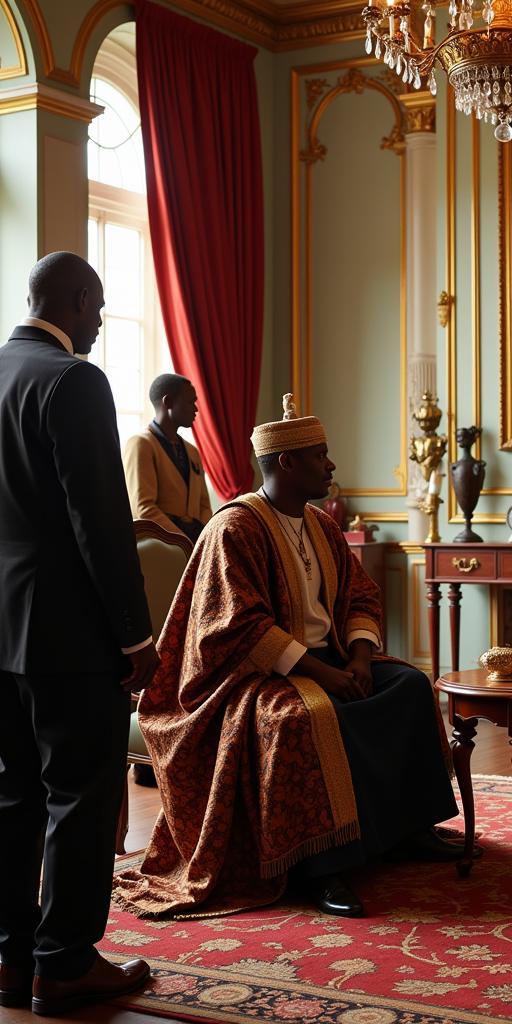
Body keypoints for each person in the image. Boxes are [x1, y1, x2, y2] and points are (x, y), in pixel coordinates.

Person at [113, 399, 463, 921]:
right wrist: (325, 674)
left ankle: (408, 831)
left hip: (334, 657)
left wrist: (362, 661)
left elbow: (360, 596)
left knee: (410, 685)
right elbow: (238, 629)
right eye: (321, 456)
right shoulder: (234, 528)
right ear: (286, 464)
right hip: (248, 676)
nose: (332, 465)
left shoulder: (321, 525)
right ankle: (322, 868)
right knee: (301, 719)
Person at [0, 252, 157, 1015]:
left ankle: (9, 958)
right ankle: (63, 963)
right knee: (79, 798)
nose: (99, 321)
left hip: (0, 632)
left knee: (13, 797)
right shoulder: (73, 381)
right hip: (67, 636)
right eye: (96, 307)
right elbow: (99, 522)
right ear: (75, 297)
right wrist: (136, 637)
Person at [124, 373, 213, 544]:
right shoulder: (141, 444)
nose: (196, 409)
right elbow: (144, 508)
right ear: (168, 402)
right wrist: (182, 541)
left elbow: (204, 505)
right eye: (190, 402)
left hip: (195, 544)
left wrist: (204, 539)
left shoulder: (192, 451)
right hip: (160, 546)